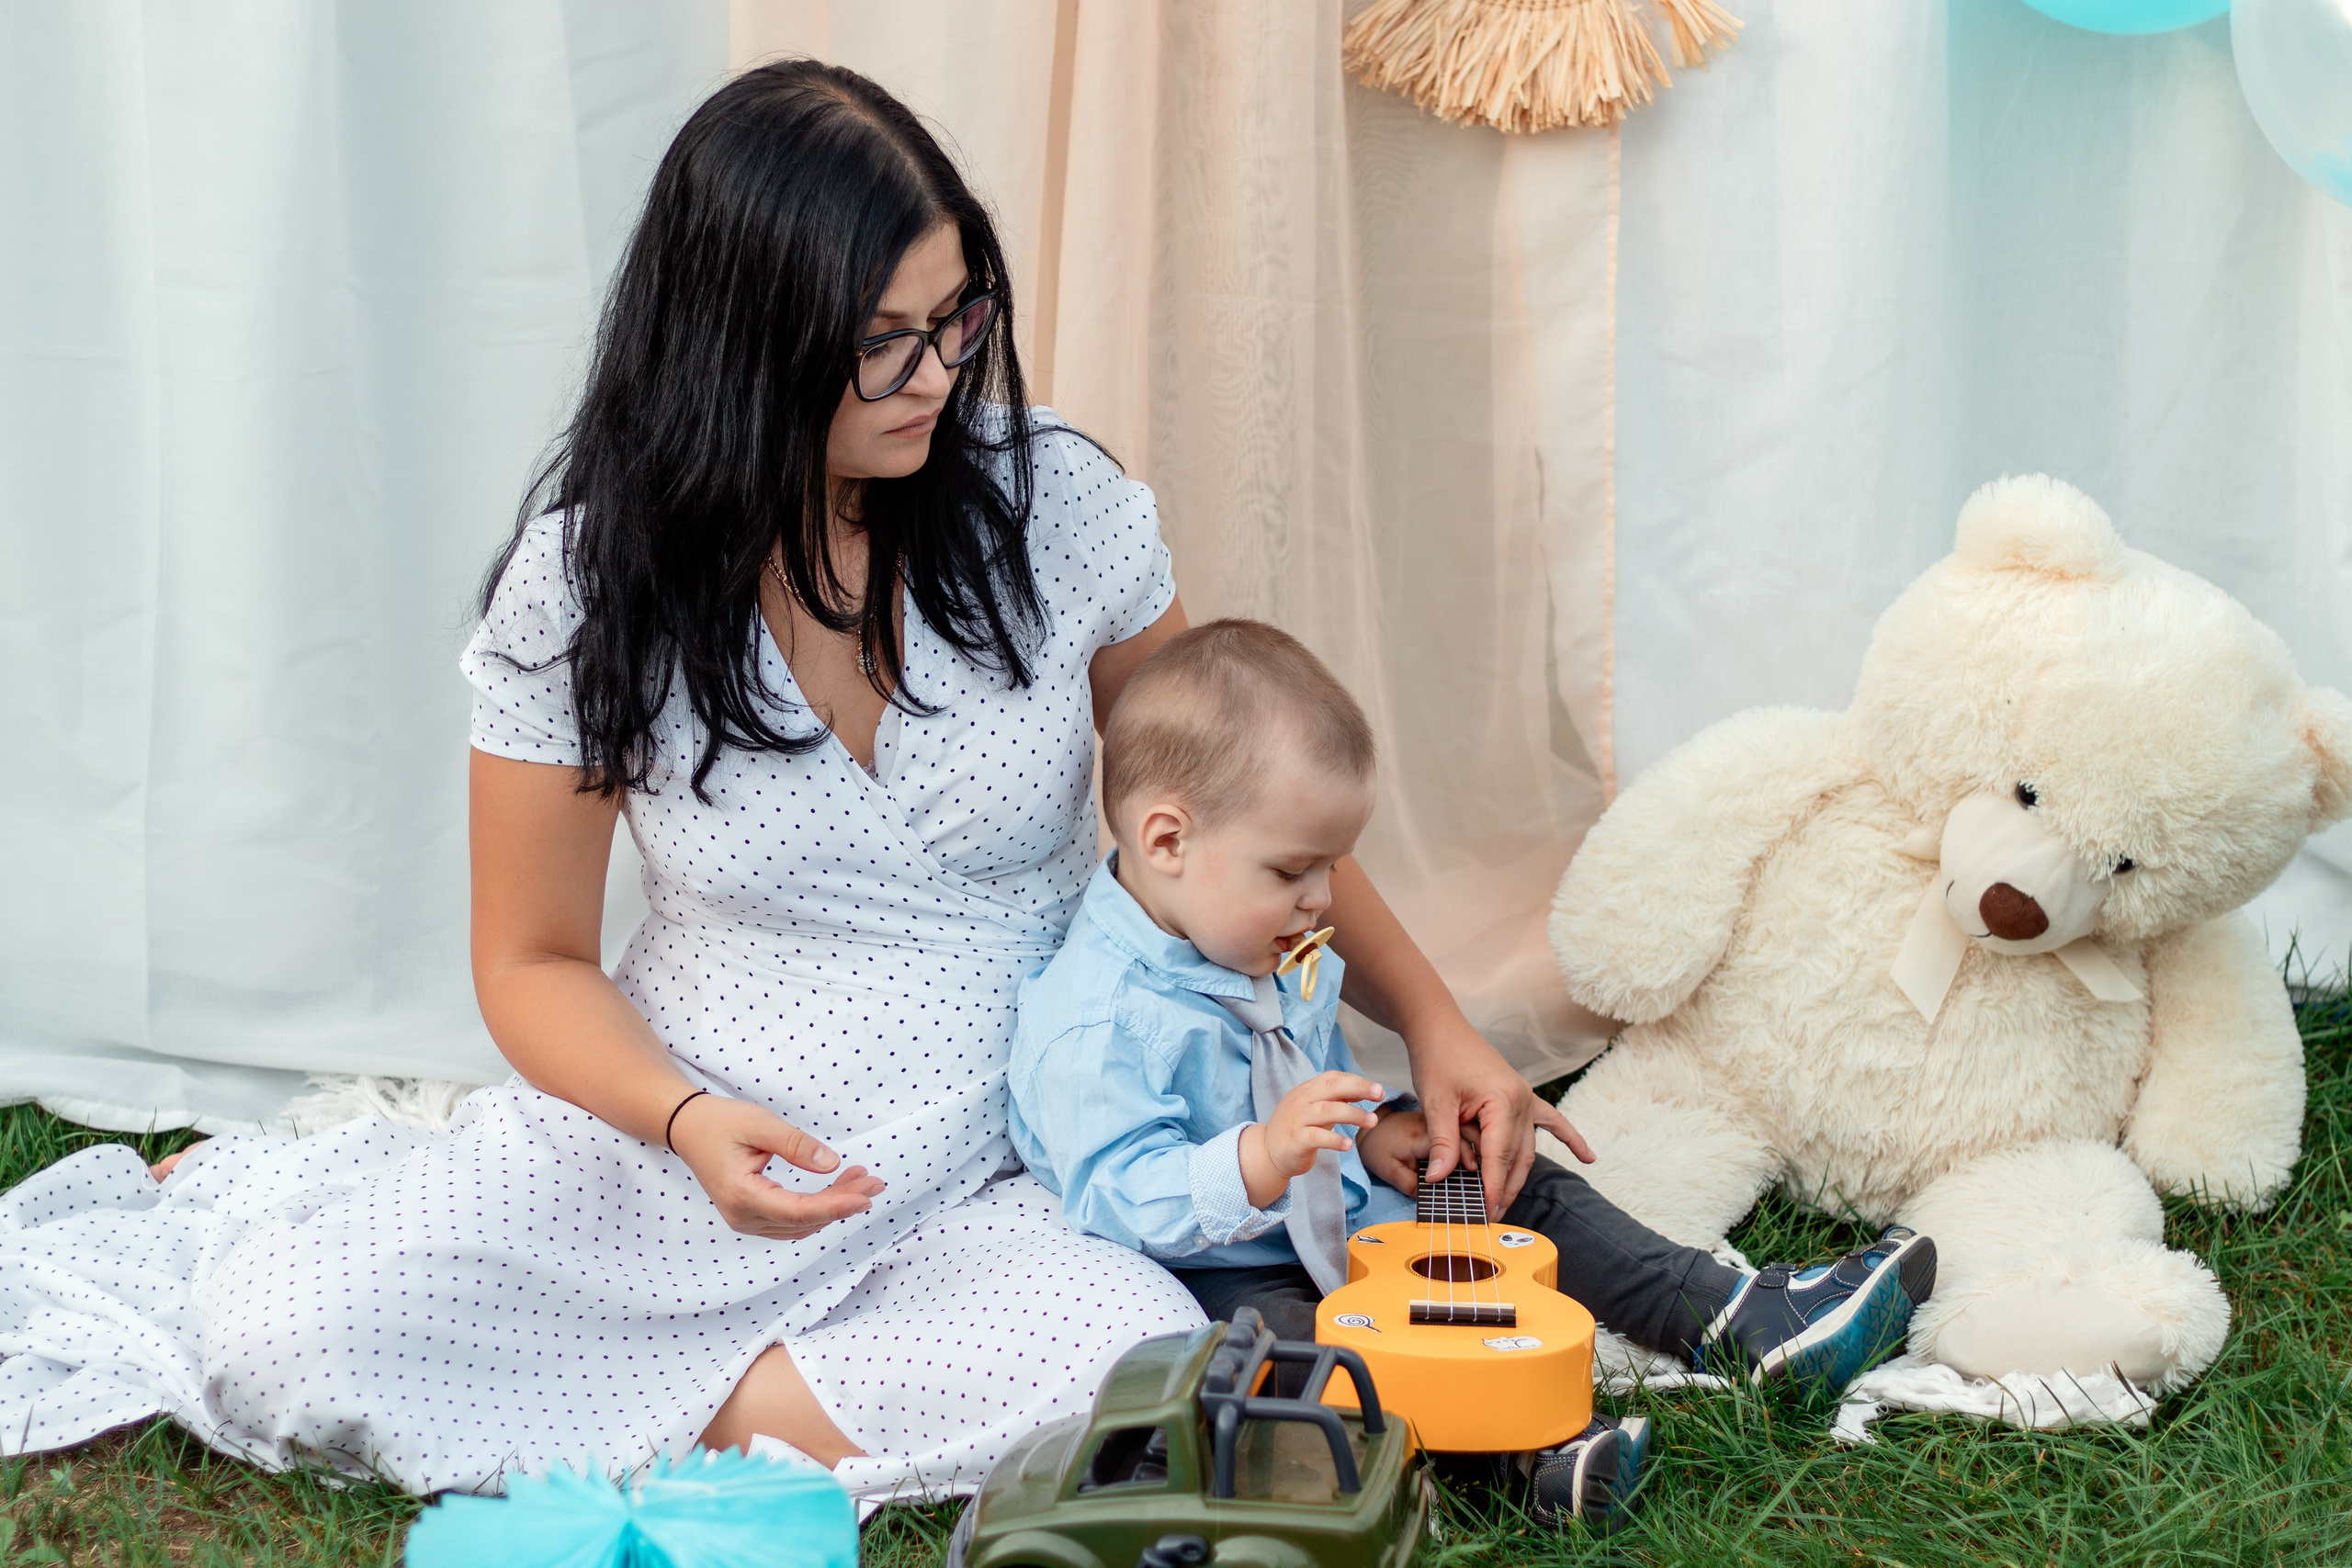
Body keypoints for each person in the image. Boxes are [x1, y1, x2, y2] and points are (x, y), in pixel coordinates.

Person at [27, 59, 1567, 1502]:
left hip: (1004, 1161)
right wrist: (688, 1117)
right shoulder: (587, 588)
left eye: (956, 319)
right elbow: (532, 959)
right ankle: (699, 1382)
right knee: (287, 1331)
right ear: (742, 340)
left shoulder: (1053, 508)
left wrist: (1435, 1019)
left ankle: (640, 1403)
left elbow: (1240, 807)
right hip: (684, 1141)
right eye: (884, 340)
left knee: (1124, 1350)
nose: (936, 373)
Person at [1008, 620, 1940, 1528]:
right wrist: (1259, 1157)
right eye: (1293, 870)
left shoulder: (1263, 933)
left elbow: (1309, 1065)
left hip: (1349, 1202)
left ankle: (1737, 1317)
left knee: (1498, 1172)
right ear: (1167, 841)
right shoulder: (1096, 1022)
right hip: (1233, 1265)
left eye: (1331, 866)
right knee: (1313, 1364)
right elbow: (1116, 1195)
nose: (1323, 898)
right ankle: (1527, 1458)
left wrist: (1374, 1131)